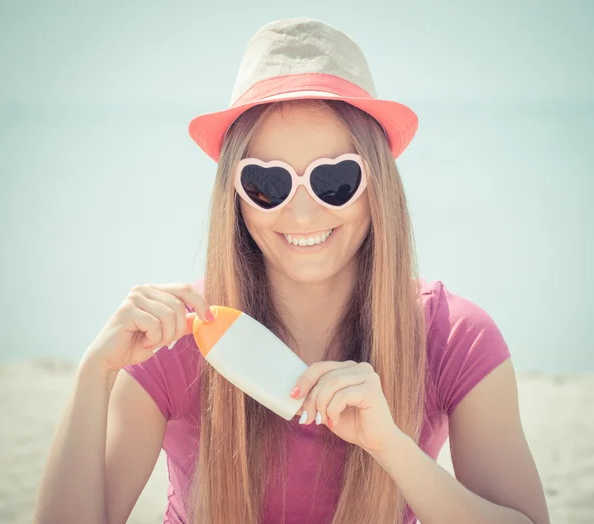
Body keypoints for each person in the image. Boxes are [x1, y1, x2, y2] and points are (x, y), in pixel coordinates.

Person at [34, 17, 550, 524]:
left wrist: (390, 446)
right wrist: (94, 373)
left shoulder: (454, 336)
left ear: (379, 189)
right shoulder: (175, 339)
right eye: (267, 183)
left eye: (334, 179)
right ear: (233, 200)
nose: (302, 215)